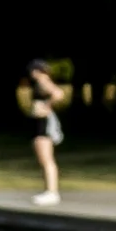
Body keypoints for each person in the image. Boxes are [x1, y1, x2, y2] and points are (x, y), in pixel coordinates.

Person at [23, 61, 68, 203]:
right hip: (39, 123)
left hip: (44, 123)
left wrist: (47, 105)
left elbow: (58, 94)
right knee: (44, 158)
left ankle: (52, 192)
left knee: (46, 159)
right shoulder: (41, 83)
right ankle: (49, 190)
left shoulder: (43, 82)